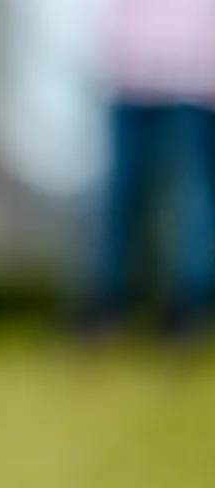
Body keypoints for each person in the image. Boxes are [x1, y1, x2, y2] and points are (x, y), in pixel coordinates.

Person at [79, 0, 215, 341]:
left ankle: (188, 308)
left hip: (194, 70)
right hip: (129, 69)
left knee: (194, 198)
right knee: (119, 195)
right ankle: (106, 304)